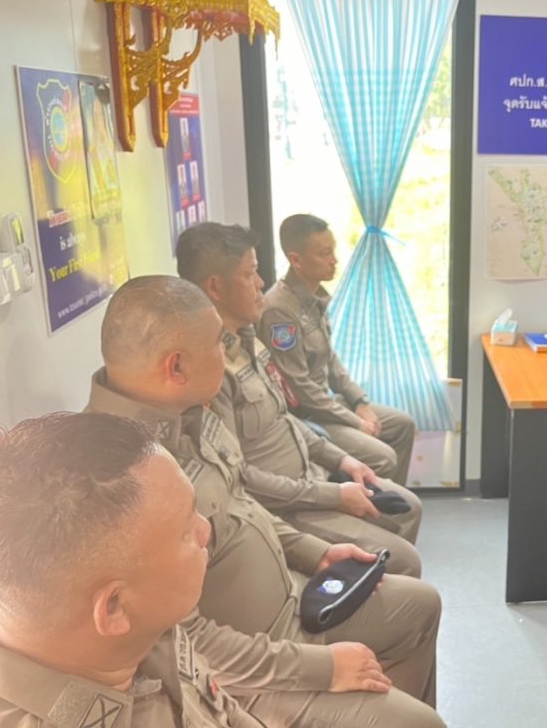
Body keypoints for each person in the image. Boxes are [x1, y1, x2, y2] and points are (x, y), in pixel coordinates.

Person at [87, 275, 445, 727]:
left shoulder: (190, 415)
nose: (227, 354)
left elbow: (240, 501)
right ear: (176, 367)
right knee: (419, 724)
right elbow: (185, 644)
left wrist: (316, 553)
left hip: (292, 600)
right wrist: (324, 668)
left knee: (421, 606)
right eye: (219, 345)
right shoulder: (118, 479)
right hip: (249, 670)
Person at [0, 412, 262, 726]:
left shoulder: (138, 623)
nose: (205, 529)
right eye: (185, 533)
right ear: (114, 607)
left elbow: (224, 712)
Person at [176, 222, 423, 577]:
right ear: (215, 287)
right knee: (405, 559)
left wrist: (342, 459)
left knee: (407, 507)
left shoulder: (248, 342)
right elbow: (240, 479)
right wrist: (333, 495)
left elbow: (284, 416)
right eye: (250, 273)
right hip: (283, 507)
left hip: (308, 476)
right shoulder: (210, 373)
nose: (261, 282)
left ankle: (375, 585)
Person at [260, 214, 417, 486]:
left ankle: (394, 504)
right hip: (307, 417)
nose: (334, 260)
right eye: (324, 254)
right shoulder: (279, 310)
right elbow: (299, 388)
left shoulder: (313, 297)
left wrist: (359, 402)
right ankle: (370, 510)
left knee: (403, 425)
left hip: (328, 404)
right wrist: (354, 421)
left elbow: (330, 360)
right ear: (296, 260)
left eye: (332, 251)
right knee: (384, 458)